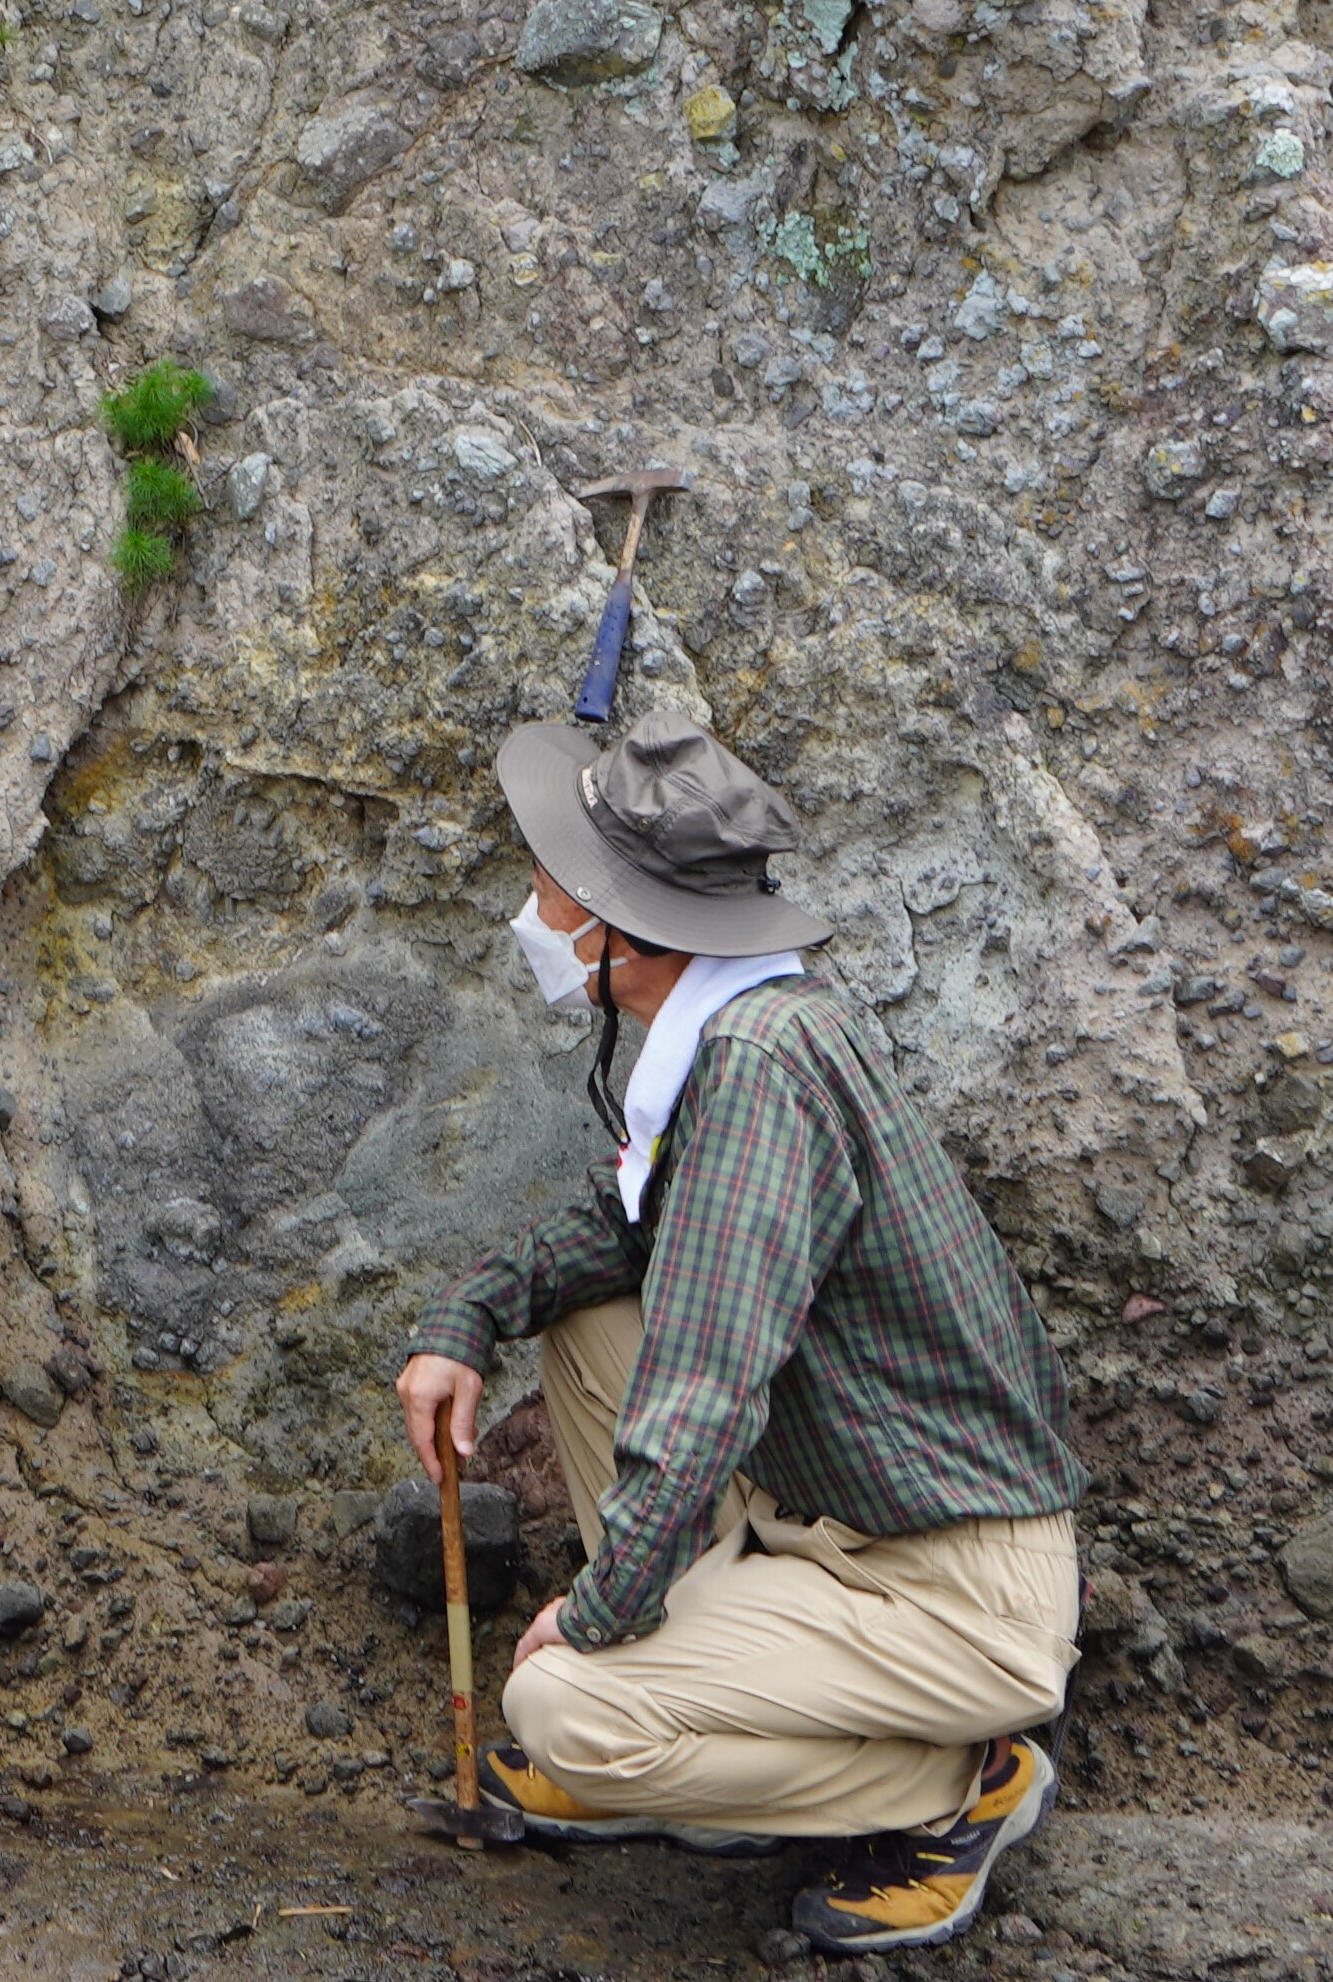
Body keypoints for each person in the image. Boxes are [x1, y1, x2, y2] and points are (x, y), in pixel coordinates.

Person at [391, 716, 1088, 1957]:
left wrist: (603, 1613)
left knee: (561, 1708)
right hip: (848, 1524)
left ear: (624, 927)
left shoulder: (759, 1068)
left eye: (553, 882)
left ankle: (959, 1786)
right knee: (590, 1320)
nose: (532, 905)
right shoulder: (743, 1025)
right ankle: (702, 1754)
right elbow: (625, 1226)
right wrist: (469, 1318)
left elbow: (707, 1387)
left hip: (948, 1590)